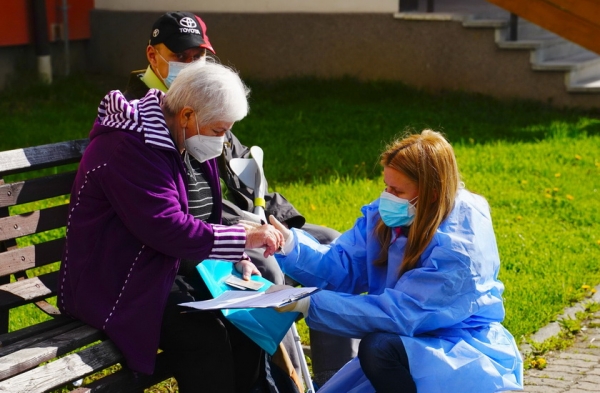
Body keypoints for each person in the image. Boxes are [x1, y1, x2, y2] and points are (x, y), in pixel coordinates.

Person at [123, 11, 358, 387]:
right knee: (267, 267)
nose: (191, 65)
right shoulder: (148, 116)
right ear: (153, 56)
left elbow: (244, 168)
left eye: (199, 56)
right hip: (211, 229)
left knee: (328, 242)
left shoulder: (209, 96)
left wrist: (280, 220)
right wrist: (246, 234)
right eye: (181, 56)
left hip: (239, 219)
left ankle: (334, 378)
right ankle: (283, 381)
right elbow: (184, 204)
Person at [58, 61, 286, 393]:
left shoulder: (184, 137)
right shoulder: (128, 147)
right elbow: (167, 227)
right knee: (205, 339)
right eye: (219, 131)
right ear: (187, 115)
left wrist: (236, 259)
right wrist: (244, 237)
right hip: (119, 280)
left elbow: (204, 218)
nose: (223, 142)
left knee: (249, 325)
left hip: (167, 268)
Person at [268, 130, 524, 392]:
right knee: (380, 348)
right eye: (386, 186)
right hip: (412, 339)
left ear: (431, 194)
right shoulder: (398, 211)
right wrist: (289, 244)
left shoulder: (459, 246)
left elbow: (401, 314)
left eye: (397, 190)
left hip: (460, 348)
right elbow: (342, 265)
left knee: (378, 348)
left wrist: (310, 303)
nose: (386, 197)